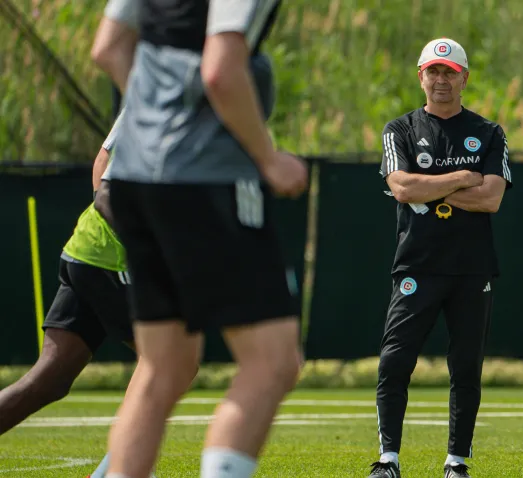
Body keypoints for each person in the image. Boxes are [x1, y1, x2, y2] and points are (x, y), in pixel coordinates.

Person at [99, 0, 308, 477]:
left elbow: (108, 49)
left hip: (131, 175)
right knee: (273, 362)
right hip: (203, 181)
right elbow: (220, 69)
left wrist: (157, 120)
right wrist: (268, 158)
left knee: (164, 367)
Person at [368, 38, 513, 478]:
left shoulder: (489, 133)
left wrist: (431, 184)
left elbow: (490, 199)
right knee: (395, 360)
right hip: (417, 265)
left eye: (450, 72)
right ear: (421, 77)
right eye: (433, 71)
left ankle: (457, 463)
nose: (441, 80)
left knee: (466, 365)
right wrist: (461, 177)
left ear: (464, 78)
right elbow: (403, 188)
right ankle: (388, 460)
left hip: (472, 268)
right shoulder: (400, 130)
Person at [0, 111, 154, 478]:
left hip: (88, 247)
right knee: (168, 360)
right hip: (109, 253)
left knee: (50, 378)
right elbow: (108, 190)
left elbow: (102, 160)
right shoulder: (169, 92)